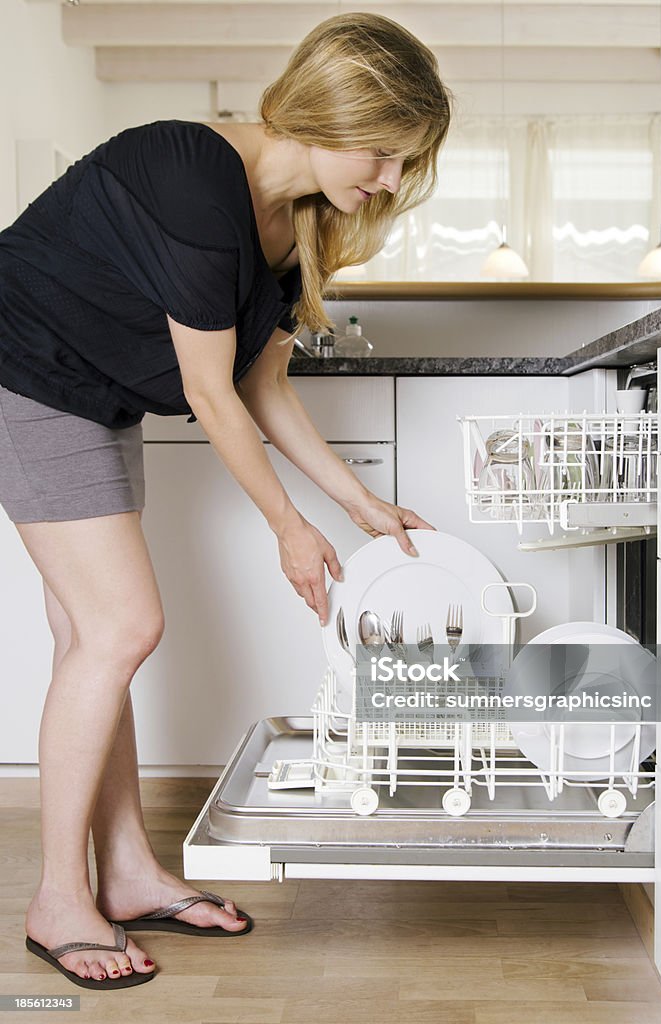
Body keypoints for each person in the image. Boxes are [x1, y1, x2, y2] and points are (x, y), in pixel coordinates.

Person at [0, 13, 451, 989]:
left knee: (95, 637)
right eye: (383, 152)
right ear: (334, 115)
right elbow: (207, 394)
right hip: (25, 370)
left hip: (95, 394)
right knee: (121, 627)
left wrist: (359, 503)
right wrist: (290, 528)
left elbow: (260, 386)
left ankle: (121, 874)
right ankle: (57, 900)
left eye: (403, 164)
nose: (387, 181)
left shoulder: (295, 231)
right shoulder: (193, 172)